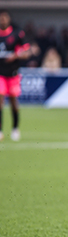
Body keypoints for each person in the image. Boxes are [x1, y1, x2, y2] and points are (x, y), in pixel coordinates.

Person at [0, 10, 31, 142]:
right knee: (0, 101)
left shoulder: (17, 34)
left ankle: (15, 128)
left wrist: (16, 56)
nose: (3, 20)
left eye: (5, 18)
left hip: (13, 74)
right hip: (0, 73)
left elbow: (27, 52)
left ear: (9, 19)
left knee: (13, 102)